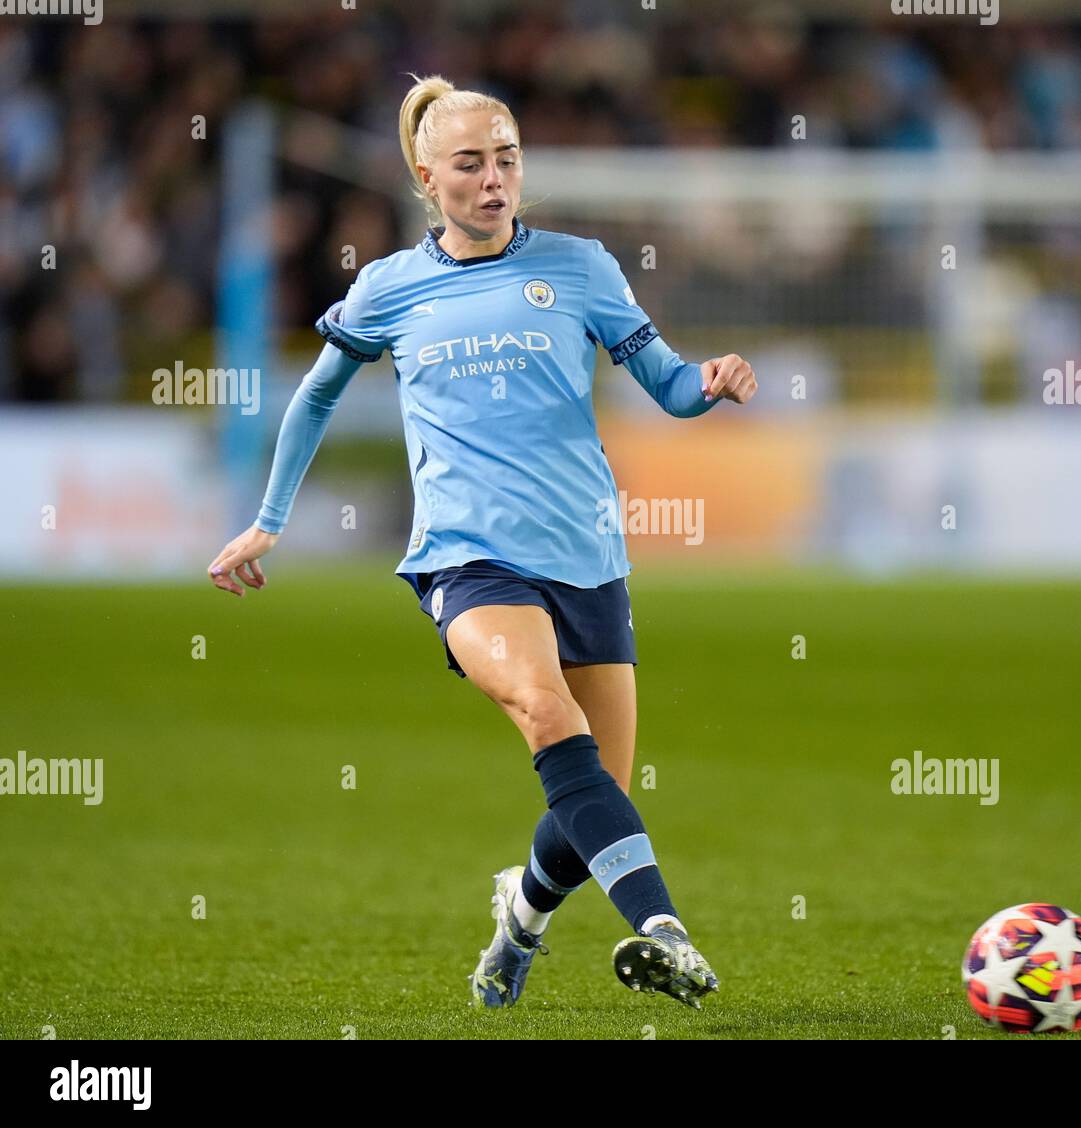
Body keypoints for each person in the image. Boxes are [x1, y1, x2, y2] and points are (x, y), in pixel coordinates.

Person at [206, 75, 757, 1011]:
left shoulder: (581, 267)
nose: (495, 178)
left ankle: (521, 919)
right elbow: (317, 396)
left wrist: (709, 381)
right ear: (428, 176)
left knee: (593, 801)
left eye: (507, 158)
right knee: (548, 717)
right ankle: (666, 932)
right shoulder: (388, 287)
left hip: (587, 558)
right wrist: (270, 518)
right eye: (471, 163)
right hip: (468, 559)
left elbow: (665, 387)